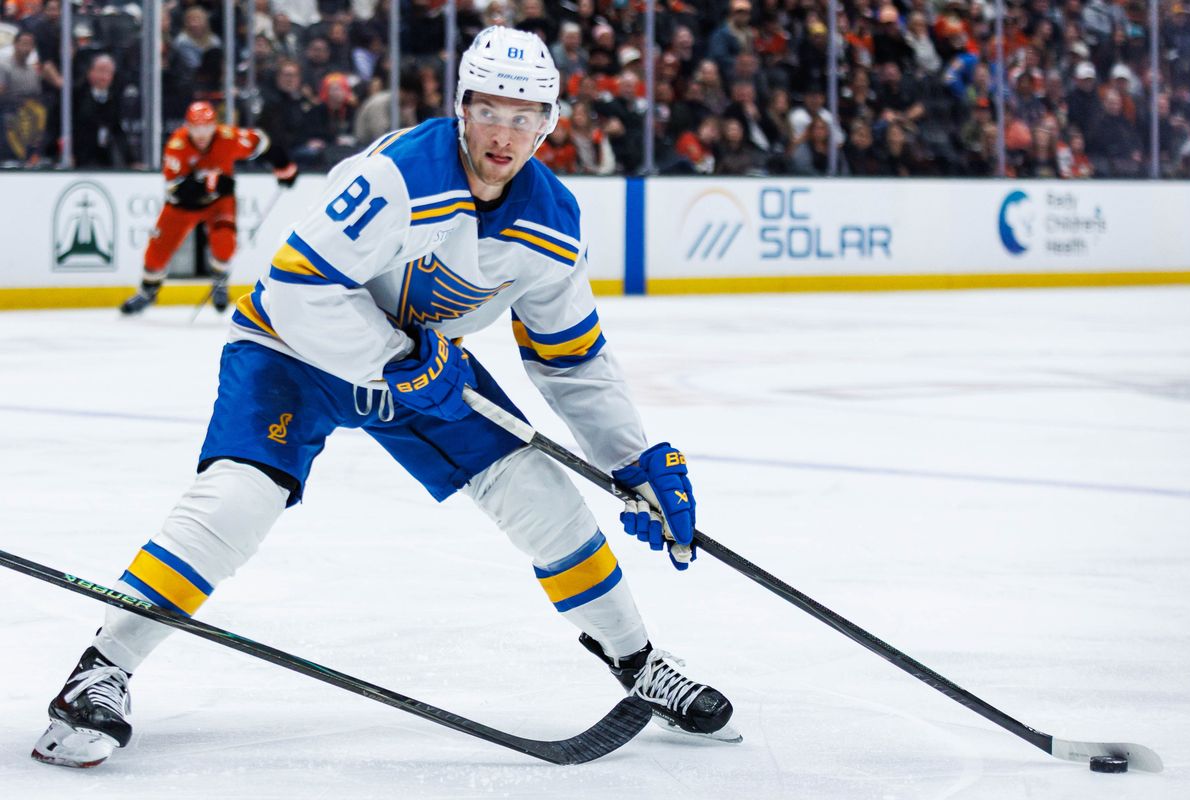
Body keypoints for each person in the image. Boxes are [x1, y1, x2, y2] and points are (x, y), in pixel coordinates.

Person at [33, 26, 738, 769]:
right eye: (491, 110)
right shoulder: (401, 177)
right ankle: (101, 670)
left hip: (417, 365)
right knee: (238, 501)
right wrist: (397, 358)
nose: (506, 133)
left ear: (551, 122)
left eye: (527, 115)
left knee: (543, 495)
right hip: (295, 351)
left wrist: (632, 461)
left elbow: (571, 360)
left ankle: (640, 665)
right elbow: (298, 287)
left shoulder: (552, 222)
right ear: (461, 107)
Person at [118, 101, 298, 316]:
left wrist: (284, 166)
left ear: (215, 125)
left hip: (219, 203)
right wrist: (210, 184)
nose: (202, 134)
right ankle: (148, 291)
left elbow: (261, 142)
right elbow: (175, 190)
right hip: (182, 206)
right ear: (187, 126)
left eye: (207, 127)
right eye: (196, 127)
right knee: (156, 252)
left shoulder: (228, 137)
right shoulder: (177, 146)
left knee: (224, 242)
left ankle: (219, 282)